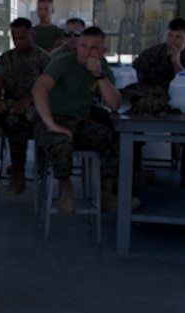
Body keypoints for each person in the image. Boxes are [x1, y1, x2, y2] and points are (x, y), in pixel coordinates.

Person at [32, 26, 134, 213]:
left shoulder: (102, 69)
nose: (87, 52)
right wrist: (51, 124)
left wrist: (99, 76)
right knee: (61, 143)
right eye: (83, 46)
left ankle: (106, 193)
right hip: (51, 118)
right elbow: (39, 88)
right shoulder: (62, 63)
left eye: (94, 48)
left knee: (112, 138)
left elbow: (114, 104)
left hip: (79, 120)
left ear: (102, 51)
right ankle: (65, 187)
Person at [131, 17, 185, 177]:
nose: (173, 40)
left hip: (180, 106)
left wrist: (176, 62)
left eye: (178, 37)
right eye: (170, 35)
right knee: (132, 124)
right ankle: (135, 167)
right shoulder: (152, 54)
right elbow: (133, 78)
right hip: (150, 103)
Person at [0, 18, 50, 195]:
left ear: (32, 35)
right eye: (15, 38)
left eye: (22, 38)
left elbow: (49, 88)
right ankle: (18, 171)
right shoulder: (6, 58)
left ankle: (33, 167)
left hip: (36, 107)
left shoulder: (44, 59)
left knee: (25, 122)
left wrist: (28, 100)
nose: (18, 42)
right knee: (12, 121)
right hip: (11, 107)